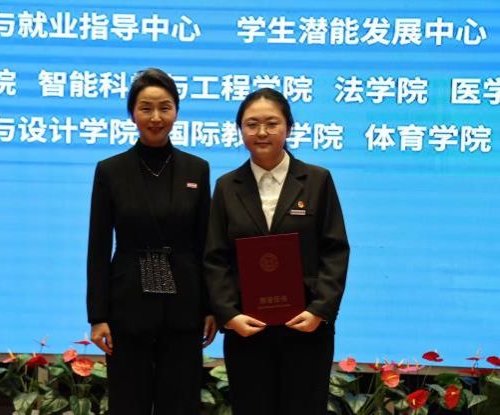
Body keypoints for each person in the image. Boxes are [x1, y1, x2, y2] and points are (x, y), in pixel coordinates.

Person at [204, 88, 349, 415]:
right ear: (240, 130)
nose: (261, 132)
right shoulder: (227, 186)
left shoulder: (317, 180)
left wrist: (320, 310)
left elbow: (335, 250)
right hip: (247, 327)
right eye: (251, 124)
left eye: (272, 123)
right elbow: (215, 257)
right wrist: (229, 314)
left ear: (289, 128)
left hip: (305, 326)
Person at [87, 68, 216, 415]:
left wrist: (210, 307)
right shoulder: (110, 170)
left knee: (181, 402)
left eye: (165, 107)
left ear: (176, 112)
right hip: (128, 305)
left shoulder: (197, 169)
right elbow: (98, 247)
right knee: (129, 401)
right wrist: (98, 316)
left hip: (185, 306)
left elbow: (206, 244)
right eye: (146, 108)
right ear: (132, 114)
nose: (156, 117)